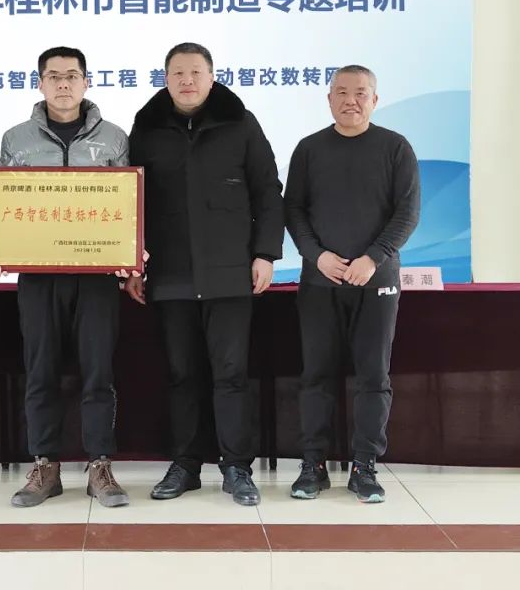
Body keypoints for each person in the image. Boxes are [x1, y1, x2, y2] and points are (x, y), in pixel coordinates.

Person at [125, 42, 284, 506]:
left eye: (196, 72)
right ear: (166, 79)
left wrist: (265, 254)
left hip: (230, 273)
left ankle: (237, 467)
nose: (187, 80)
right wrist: (132, 262)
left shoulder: (241, 123)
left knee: (231, 375)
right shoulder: (147, 127)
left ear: (212, 77)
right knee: (181, 375)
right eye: (178, 73)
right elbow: (130, 199)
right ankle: (186, 464)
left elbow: (267, 192)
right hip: (170, 274)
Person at [0, 46, 132, 508]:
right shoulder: (17, 138)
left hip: (97, 275)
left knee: (98, 371)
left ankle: (100, 465)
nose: (63, 84)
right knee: (40, 370)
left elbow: (128, 203)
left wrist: (129, 250)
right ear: (40, 83)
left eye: (71, 76)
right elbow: (5, 204)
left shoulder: (114, 138)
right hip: (39, 274)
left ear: (87, 82)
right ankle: (45, 466)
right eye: (53, 76)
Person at [283, 64, 420, 503]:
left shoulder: (395, 148)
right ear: (329, 99)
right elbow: (293, 210)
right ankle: (313, 465)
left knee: (373, 377)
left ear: (374, 100)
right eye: (341, 92)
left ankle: (365, 466)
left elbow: (407, 213)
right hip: (319, 281)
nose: (351, 100)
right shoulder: (309, 149)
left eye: (360, 92)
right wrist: (317, 256)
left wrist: (372, 258)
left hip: (376, 283)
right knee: (315, 376)